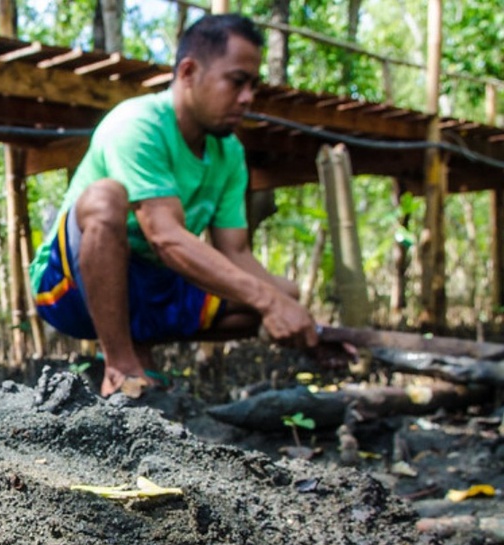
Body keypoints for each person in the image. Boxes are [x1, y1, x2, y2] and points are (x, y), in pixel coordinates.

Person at [29, 13, 319, 397]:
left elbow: (235, 252)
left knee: (287, 293)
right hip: (68, 291)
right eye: (236, 82)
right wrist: (267, 301)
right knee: (106, 199)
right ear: (188, 72)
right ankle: (120, 366)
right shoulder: (136, 124)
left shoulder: (229, 152)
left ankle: (140, 345)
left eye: (253, 85)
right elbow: (165, 237)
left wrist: (296, 317)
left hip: (153, 286)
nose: (248, 98)